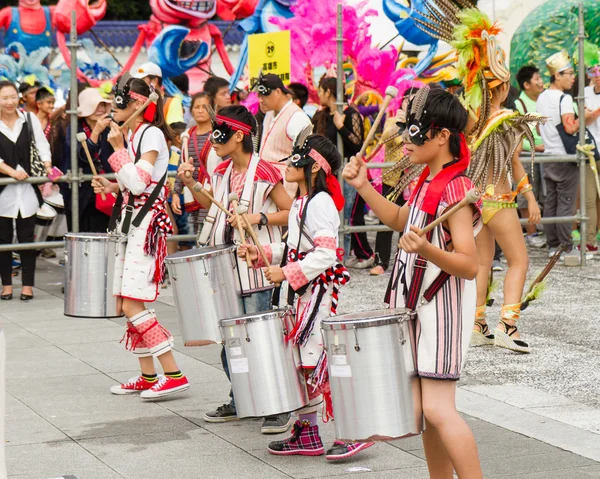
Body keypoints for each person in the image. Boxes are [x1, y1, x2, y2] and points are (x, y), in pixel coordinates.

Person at [343, 85, 483, 479]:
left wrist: (427, 250)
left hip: (443, 308)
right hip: (416, 305)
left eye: (415, 129)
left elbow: (469, 265)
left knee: (439, 409)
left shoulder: (456, 188)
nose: (406, 138)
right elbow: (399, 221)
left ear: (442, 136)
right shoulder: (426, 179)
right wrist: (364, 187)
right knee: (424, 412)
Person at [238, 132, 374, 460]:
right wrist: (263, 252)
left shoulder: (321, 203)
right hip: (305, 293)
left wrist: (285, 272)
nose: (289, 165)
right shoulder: (302, 202)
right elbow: (296, 249)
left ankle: (356, 431)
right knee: (306, 364)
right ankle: (308, 432)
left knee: (320, 363)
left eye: (298, 159)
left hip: (318, 295)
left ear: (314, 167)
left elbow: (327, 255)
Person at [177, 105, 293, 433]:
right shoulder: (221, 171)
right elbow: (208, 203)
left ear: (239, 135)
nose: (212, 140)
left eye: (219, 133)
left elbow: (291, 211)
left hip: (256, 269)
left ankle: (278, 405)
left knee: (261, 338)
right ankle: (241, 396)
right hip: (226, 271)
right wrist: (190, 183)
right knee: (231, 340)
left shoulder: (266, 171)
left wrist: (258, 218)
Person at [92, 75, 189, 399]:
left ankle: (173, 372)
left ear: (136, 104)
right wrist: (111, 185)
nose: (111, 109)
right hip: (134, 224)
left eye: (117, 102)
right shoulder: (138, 133)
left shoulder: (150, 135)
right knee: (125, 300)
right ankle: (149, 376)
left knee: (132, 301)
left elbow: (139, 183)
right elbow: (134, 184)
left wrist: (118, 151)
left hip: (146, 227)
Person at [537, 50, 600, 258]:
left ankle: (553, 245)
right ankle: (566, 247)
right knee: (565, 202)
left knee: (551, 202)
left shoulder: (542, 97)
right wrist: (583, 116)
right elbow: (569, 127)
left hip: (548, 155)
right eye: (570, 73)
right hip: (564, 156)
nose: (573, 77)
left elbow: (539, 129)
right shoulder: (563, 98)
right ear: (557, 75)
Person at [312, 76, 373, 269]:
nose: (319, 95)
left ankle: (350, 255)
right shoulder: (321, 115)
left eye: (320, 91)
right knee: (330, 214)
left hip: (347, 169)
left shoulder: (351, 114)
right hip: (327, 172)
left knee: (347, 213)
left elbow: (356, 144)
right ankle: (335, 253)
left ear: (328, 92)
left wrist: (340, 126)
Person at [0, 80, 52, 301]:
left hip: (29, 188)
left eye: (13, 97)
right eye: (4, 98)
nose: (10, 102)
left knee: (26, 237)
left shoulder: (29, 119)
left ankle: (28, 285)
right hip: (3, 190)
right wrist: (11, 172)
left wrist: (48, 170)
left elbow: (41, 146)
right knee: (3, 239)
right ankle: (7, 285)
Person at [172, 92, 221, 236]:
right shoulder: (187, 135)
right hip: (193, 193)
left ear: (212, 110)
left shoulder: (218, 135)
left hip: (213, 191)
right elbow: (182, 163)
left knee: (212, 231)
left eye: (204, 107)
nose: (200, 110)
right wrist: (176, 192)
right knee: (198, 235)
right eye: (196, 107)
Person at [255, 73, 312, 195]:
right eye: (259, 95)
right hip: (265, 187)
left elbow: (305, 158)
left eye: (265, 95)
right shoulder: (269, 113)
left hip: (287, 190)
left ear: (278, 92)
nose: (261, 100)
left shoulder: (297, 117)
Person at [68, 87, 114, 233]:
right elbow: (81, 156)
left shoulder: (111, 127)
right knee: (83, 233)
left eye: (102, 105)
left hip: (106, 186)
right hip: (83, 190)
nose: (100, 109)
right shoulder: (74, 128)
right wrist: (95, 132)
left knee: (106, 232)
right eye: (95, 106)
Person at [515, 65, 546, 248]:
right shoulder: (519, 104)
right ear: (527, 84)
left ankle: (542, 228)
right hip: (526, 154)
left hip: (544, 152)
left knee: (543, 192)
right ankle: (532, 233)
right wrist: (535, 146)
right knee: (525, 192)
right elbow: (518, 136)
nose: (541, 82)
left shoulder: (544, 99)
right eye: (537, 78)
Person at [582, 43, 600, 253]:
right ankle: (589, 240)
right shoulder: (584, 92)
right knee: (589, 198)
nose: (597, 76)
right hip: (589, 151)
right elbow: (583, 120)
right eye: (593, 72)